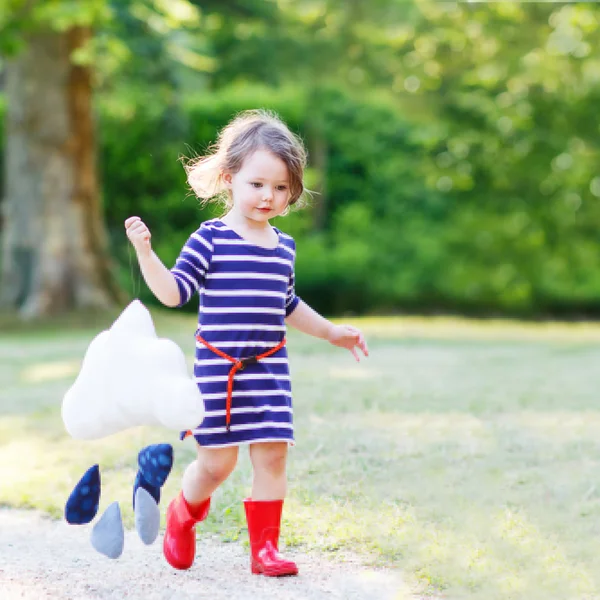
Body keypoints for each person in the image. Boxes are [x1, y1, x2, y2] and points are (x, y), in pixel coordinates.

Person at [125, 109, 368, 577]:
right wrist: (145, 253)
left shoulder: (284, 247)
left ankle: (265, 551)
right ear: (230, 178)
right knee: (217, 465)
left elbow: (289, 304)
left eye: (281, 189)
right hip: (218, 367)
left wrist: (332, 331)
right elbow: (174, 293)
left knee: (273, 453)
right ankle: (182, 513)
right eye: (257, 184)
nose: (268, 196)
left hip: (269, 365)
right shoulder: (210, 239)